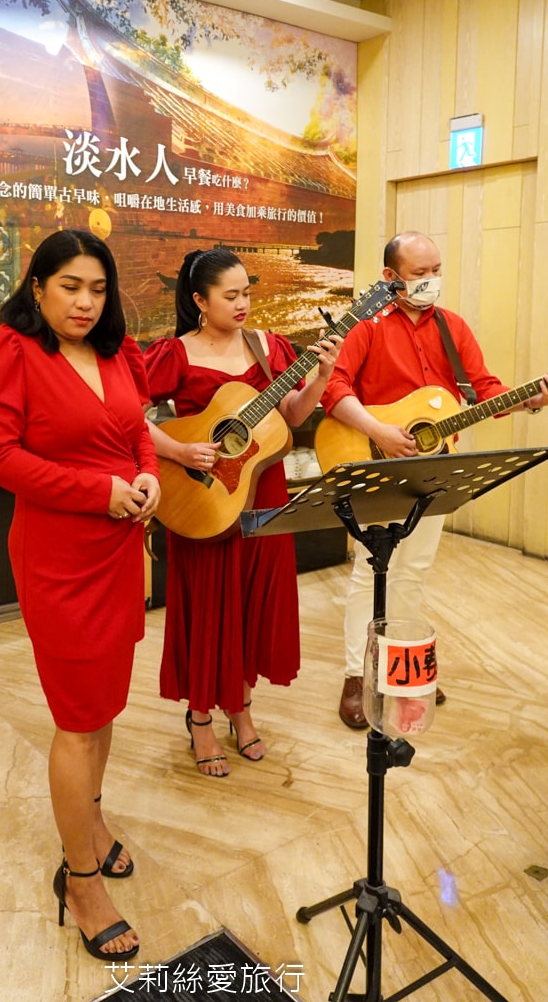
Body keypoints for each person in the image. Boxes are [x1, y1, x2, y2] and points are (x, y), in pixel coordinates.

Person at [0, 229, 160, 961]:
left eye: (97, 288)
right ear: (37, 285)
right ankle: (80, 881)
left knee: (104, 703)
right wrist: (100, 492)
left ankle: (94, 824)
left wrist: (147, 477)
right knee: (77, 719)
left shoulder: (116, 351)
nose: (84, 301)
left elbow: (137, 430)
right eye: (70, 286)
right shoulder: (7, 352)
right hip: (58, 557)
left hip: (118, 548)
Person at [320, 231, 548, 728]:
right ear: (390, 277)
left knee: (414, 570)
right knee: (370, 571)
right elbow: (333, 388)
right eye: (419, 274)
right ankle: (355, 677)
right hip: (374, 460)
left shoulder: (453, 327)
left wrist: (535, 398)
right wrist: (378, 431)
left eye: (436, 270)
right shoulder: (366, 324)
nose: (432, 281)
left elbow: (486, 390)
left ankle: (403, 673)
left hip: (435, 464)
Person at [144, 247, 340, 777]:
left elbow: (292, 413)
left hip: (263, 488)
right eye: (230, 296)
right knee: (209, 604)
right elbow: (127, 418)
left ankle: (242, 708)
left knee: (255, 601)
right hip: (203, 495)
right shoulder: (174, 354)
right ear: (199, 301)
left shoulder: (267, 346)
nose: (243, 304)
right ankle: (201, 717)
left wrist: (320, 377)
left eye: (247, 293)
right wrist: (180, 452)